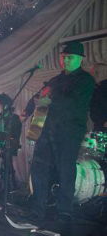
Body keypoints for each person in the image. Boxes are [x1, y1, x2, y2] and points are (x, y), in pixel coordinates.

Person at [28, 41, 95, 223]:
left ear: (80, 59)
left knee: (65, 170)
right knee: (39, 168)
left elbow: (73, 103)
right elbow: (39, 97)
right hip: (47, 130)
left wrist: (50, 100)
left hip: (69, 132)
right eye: (63, 57)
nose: (65, 61)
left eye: (69, 58)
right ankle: (37, 209)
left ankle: (64, 210)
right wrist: (29, 109)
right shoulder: (55, 80)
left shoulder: (86, 80)